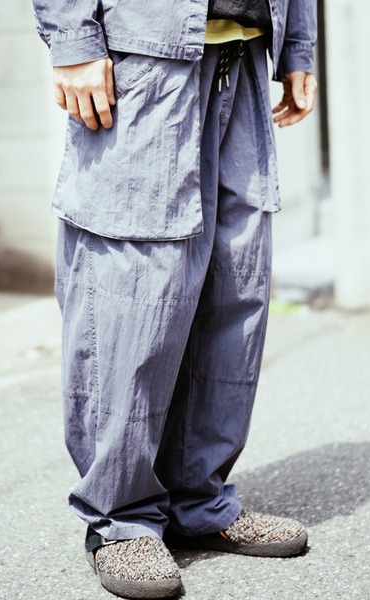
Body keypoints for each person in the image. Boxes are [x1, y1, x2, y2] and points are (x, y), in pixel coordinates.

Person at [32, 1, 317, 598]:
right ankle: (121, 517)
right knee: (133, 295)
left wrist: (298, 46)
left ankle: (199, 500)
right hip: (144, 58)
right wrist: (73, 39)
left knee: (231, 290)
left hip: (243, 57)